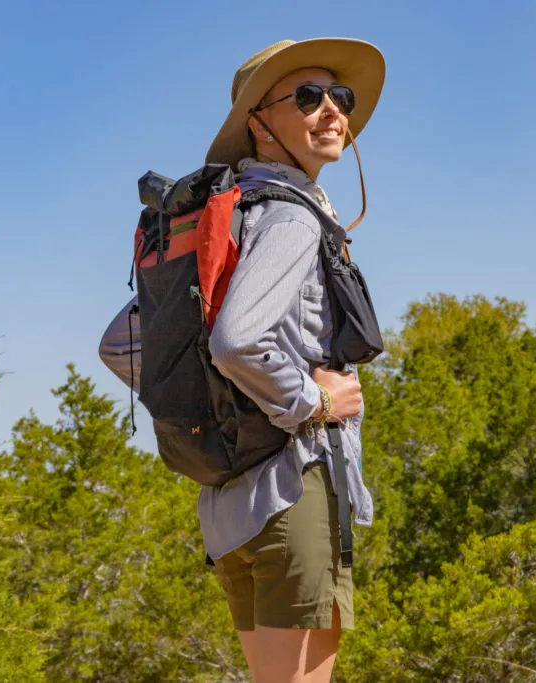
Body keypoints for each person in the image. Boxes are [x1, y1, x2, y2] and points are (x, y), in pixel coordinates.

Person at [99, 38, 385, 683]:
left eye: (340, 98)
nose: (332, 111)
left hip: (230, 505)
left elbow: (120, 345)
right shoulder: (292, 219)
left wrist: (216, 407)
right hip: (298, 486)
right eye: (307, 98)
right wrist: (310, 401)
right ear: (259, 123)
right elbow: (237, 341)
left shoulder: (224, 220)